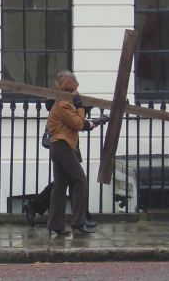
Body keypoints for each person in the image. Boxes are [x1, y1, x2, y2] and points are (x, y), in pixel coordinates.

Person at [45, 70, 100, 235]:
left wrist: (95, 122)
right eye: (74, 89)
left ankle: (55, 225)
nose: (76, 92)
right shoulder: (63, 103)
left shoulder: (64, 102)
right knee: (80, 180)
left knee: (60, 186)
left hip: (60, 146)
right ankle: (78, 222)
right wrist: (81, 108)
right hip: (62, 147)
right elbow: (77, 123)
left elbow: (78, 123)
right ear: (69, 88)